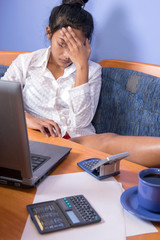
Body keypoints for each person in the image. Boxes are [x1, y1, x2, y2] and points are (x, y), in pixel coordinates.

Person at [1, 0, 160, 168]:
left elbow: (80, 122)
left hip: (78, 142)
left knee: (108, 140)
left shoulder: (92, 70)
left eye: (75, 47)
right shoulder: (26, 62)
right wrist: (29, 120)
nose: (66, 55)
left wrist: (82, 66)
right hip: (34, 140)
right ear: (49, 33)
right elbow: (2, 101)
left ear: (85, 44)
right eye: (62, 44)